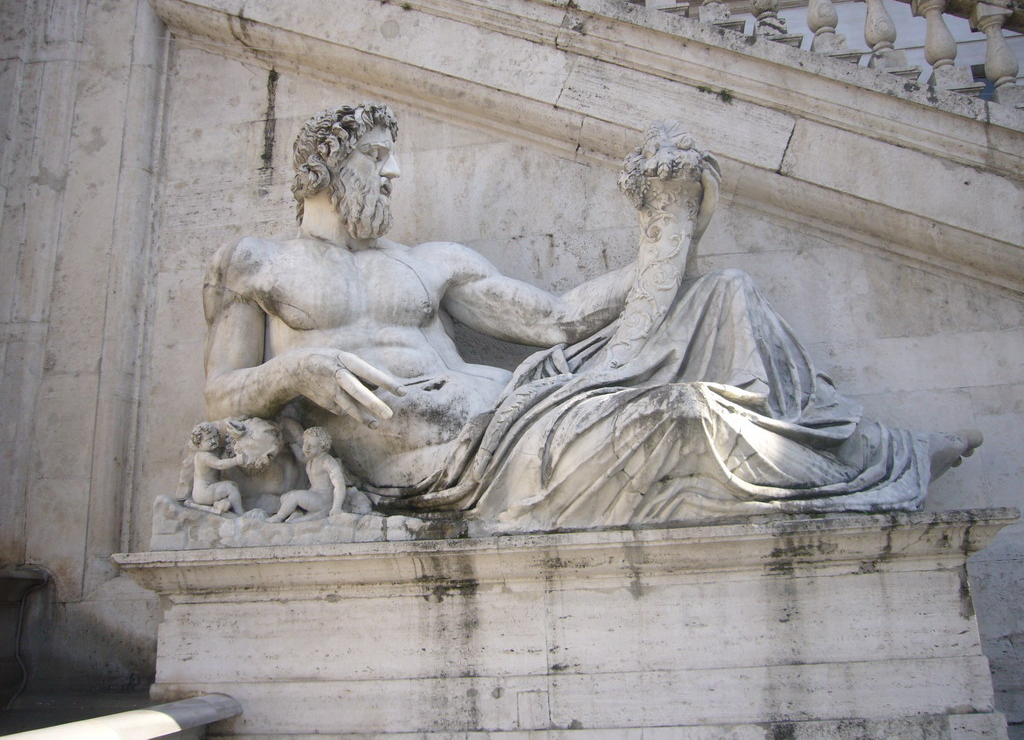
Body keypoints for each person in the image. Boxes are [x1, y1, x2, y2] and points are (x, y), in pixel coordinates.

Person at [202, 103, 977, 533]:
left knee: (724, 293)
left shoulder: (429, 262)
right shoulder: (257, 264)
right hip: (435, 459)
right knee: (677, 414)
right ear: (328, 165)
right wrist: (298, 369)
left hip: (517, 407)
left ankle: (860, 455)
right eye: (379, 156)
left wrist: (670, 236)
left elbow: (560, 321)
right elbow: (221, 396)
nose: (396, 171)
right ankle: (871, 470)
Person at [267, 427, 347, 522]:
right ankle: (298, 513)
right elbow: (301, 457)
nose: (306, 448)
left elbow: (340, 485)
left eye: (311, 445)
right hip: (313, 493)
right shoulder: (312, 459)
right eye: (305, 443)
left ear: (322, 447)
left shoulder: (328, 462)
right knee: (284, 497)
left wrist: (336, 507)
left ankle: (279, 517)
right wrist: (292, 445)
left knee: (294, 497)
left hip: (324, 500)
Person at [188, 422, 244, 515]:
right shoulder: (203, 456)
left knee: (228, 499)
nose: (214, 441)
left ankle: (219, 505)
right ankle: (240, 512)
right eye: (209, 439)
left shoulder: (213, 451)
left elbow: (223, 451)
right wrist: (236, 460)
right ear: (199, 444)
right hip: (203, 492)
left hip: (208, 490)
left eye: (215, 437)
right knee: (230, 487)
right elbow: (219, 464)